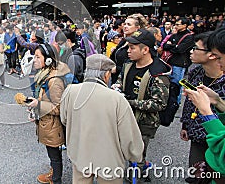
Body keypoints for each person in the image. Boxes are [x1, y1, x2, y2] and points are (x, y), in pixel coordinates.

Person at [60, 54, 144, 183]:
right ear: (106, 75)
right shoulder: (116, 99)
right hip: (109, 158)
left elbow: (64, 119)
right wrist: (134, 154)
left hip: (80, 152)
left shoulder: (70, 91)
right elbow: (128, 135)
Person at [113, 29, 170, 179]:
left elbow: (159, 104)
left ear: (145, 50)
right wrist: (116, 89)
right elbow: (120, 81)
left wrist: (130, 102)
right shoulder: (128, 65)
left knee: (137, 154)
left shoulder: (158, 72)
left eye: (132, 48)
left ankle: (138, 176)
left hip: (144, 122)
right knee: (124, 150)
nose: (128, 51)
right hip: (124, 117)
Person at [180, 31, 225, 182]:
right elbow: (189, 103)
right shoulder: (196, 71)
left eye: (219, 57)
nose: (191, 51)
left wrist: (207, 111)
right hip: (198, 138)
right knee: (196, 176)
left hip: (216, 139)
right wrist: (186, 125)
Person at [26, 43, 71, 184]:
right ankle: (54, 174)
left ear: (49, 60)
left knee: (54, 155)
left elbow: (59, 107)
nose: (34, 60)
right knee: (53, 154)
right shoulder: (45, 74)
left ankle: (56, 179)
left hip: (54, 125)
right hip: (47, 122)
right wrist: (35, 108)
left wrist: (38, 105)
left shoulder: (54, 80)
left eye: (38, 57)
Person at [162, 17, 194, 103]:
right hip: (169, 62)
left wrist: (172, 45)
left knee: (176, 84)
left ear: (184, 25)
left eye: (177, 24)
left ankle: (176, 102)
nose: (175, 26)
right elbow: (164, 45)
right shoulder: (174, 35)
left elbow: (180, 49)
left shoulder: (189, 37)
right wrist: (174, 46)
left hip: (179, 64)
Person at [110, 14, 148, 84]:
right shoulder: (124, 40)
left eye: (129, 24)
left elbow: (137, 64)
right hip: (115, 78)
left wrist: (117, 69)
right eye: (124, 24)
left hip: (128, 80)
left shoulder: (139, 44)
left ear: (137, 28)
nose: (125, 26)